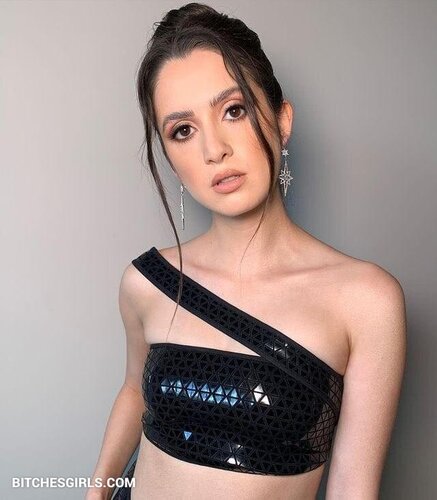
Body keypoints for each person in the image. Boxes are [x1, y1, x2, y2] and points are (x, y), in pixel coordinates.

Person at [86, 3, 407, 499]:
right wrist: (95, 491)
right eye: (183, 130)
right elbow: (134, 391)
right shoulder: (146, 283)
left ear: (282, 120)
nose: (214, 149)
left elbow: (352, 490)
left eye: (233, 110)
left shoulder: (366, 300)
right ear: (170, 157)